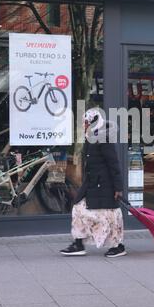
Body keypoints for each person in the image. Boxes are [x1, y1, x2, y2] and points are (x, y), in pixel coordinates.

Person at [60, 108, 126, 258]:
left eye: (86, 122)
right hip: (92, 186)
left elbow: (114, 164)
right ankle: (78, 243)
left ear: (94, 122)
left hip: (105, 187)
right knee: (78, 209)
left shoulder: (103, 139)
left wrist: (118, 188)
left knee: (109, 215)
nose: (83, 125)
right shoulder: (91, 137)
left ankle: (118, 246)